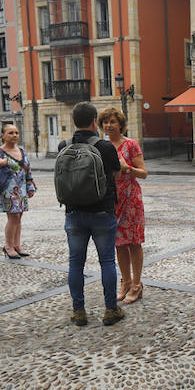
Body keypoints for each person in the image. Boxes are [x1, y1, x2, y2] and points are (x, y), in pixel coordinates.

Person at [58, 102, 124, 327]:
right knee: (107, 261)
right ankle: (110, 310)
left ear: (74, 121)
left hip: (73, 212)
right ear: (95, 121)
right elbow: (116, 172)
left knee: (75, 263)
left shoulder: (63, 145)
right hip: (102, 211)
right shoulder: (105, 147)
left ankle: (79, 311)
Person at [99, 107, 147, 305]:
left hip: (131, 198)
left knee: (134, 243)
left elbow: (143, 173)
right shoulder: (102, 146)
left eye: (112, 121)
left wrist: (128, 168)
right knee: (119, 244)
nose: (109, 125)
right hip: (112, 199)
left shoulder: (131, 145)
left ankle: (137, 284)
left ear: (120, 124)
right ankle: (125, 282)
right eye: (105, 122)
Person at [0, 124, 36, 259]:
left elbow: (28, 169)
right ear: (3, 136)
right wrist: (1, 163)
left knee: (19, 217)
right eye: (10, 133)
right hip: (7, 189)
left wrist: (30, 186)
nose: (14, 135)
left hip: (21, 188)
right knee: (13, 217)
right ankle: (8, 246)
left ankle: (17, 245)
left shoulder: (22, 150)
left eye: (16, 132)